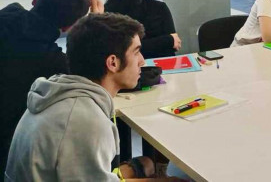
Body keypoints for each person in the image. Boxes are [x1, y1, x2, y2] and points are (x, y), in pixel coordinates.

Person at [4, 13, 183, 181]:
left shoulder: (60, 89)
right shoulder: (85, 122)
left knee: (146, 164)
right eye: (136, 52)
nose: (142, 61)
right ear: (113, 62)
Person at [0, 0, 102, 176]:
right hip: (9, 152)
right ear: (70, 27)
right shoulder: (53, 61)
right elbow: (95, 78)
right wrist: (95, 24)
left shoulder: (6, 16)